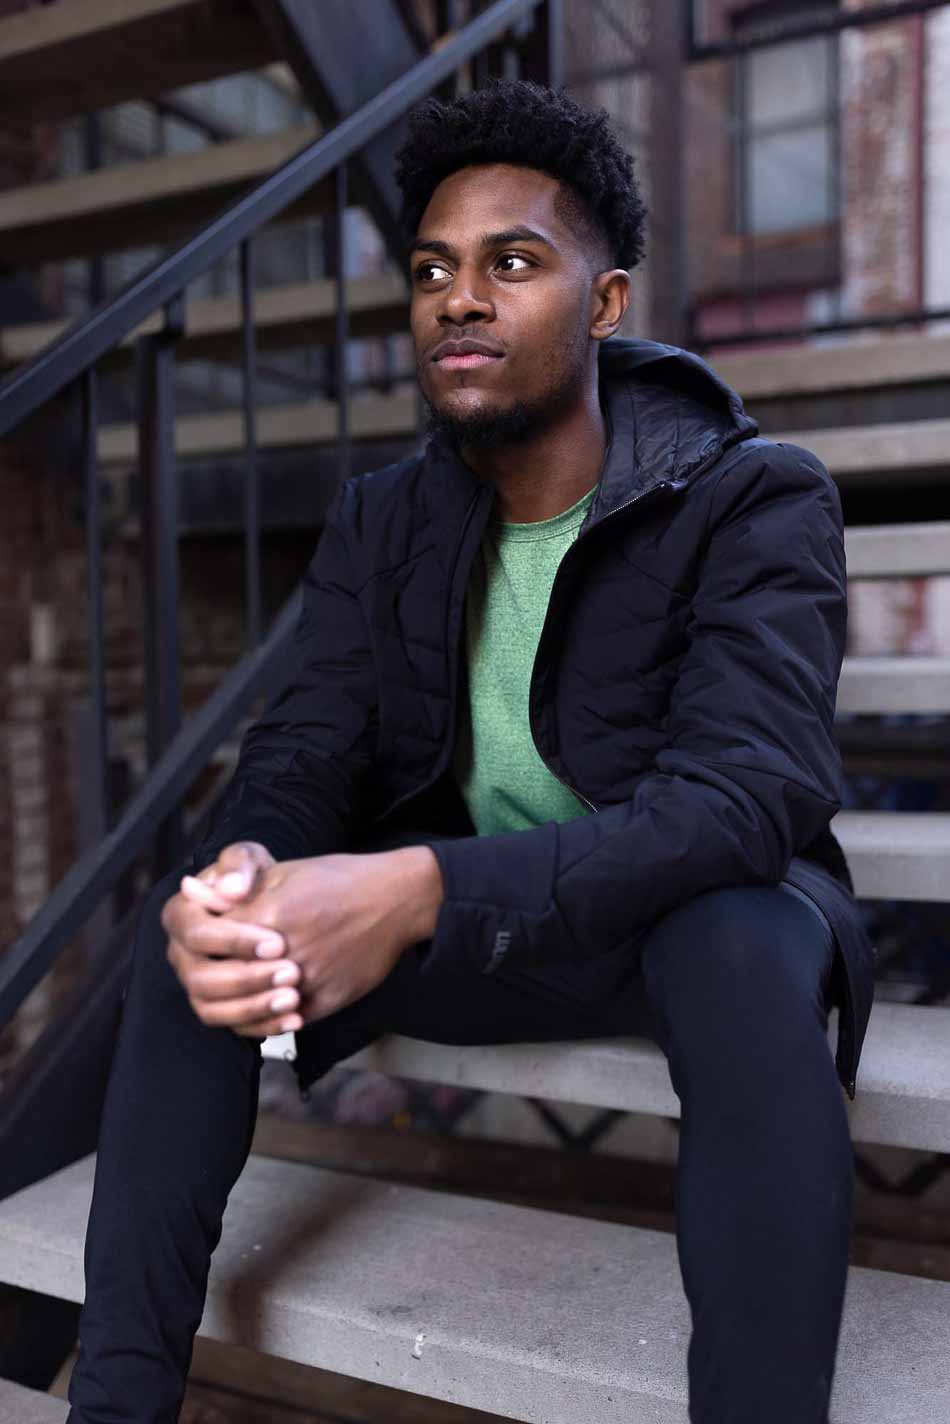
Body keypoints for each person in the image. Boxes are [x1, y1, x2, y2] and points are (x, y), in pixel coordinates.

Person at [67, 78, 875, 1424]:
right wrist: (251, 871)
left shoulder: (751, 496)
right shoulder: (382, 518)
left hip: (667, 921)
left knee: (738, 942)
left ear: (603, 303)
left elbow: (745, 798)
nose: (458, 298)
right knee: (201, 937)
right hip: (487, 924)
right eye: (433, 270)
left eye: (511, 263)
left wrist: (417, 887)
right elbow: (305, 750)